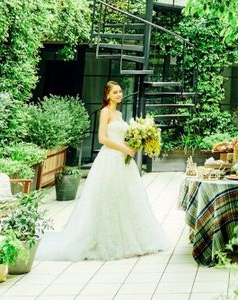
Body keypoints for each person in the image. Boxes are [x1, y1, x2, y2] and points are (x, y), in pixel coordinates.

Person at [37, 81, 169, 261]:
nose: (119, 94)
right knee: (108, 196)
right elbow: (102, 138)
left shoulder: (120, 114)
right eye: (115, 92)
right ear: (107, 95)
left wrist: (136, 142)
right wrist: (124, 149)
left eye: (120, 91)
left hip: (123, 161)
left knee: (125, 197)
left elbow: (123, 136)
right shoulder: (105, 111)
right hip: (110, 159)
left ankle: (128, 236)